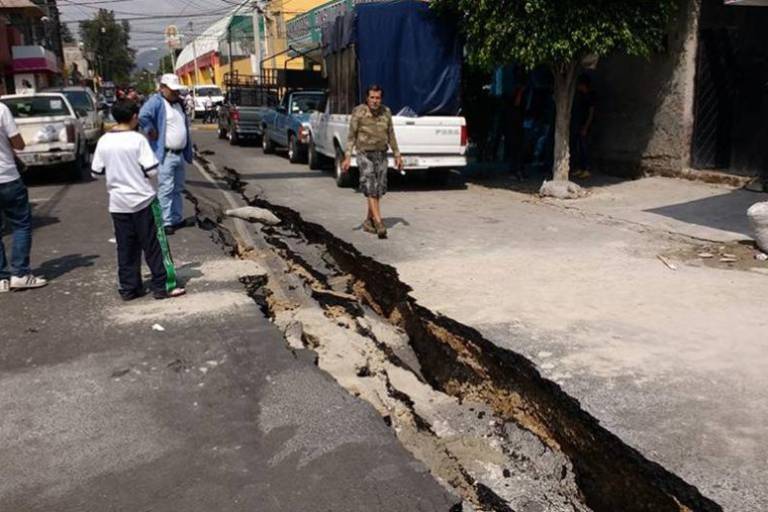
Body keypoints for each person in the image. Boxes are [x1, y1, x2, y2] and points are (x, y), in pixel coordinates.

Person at [91, 100, 185, 301]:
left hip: (118, 203)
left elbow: (96, 171)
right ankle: (163, 285)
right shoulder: (137, 140)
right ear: (134, 117)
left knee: (126, 247)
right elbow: (151, 170)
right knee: (155, 245)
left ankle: (129, 288)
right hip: (143, 200)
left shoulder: (104, 141)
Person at [342, 84, 403, 239]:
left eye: (378, 98)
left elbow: (391, 134)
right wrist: (348, 156)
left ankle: (368, 220)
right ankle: (378, 222)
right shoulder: (358, 112)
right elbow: (351, 136)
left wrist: (397, 155)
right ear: (367, 98)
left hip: (381, 154)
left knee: (379, 188)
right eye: (372, 98)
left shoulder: (386, 112)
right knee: (371, 185)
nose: (375, 101)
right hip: (365, 154)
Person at [0, 102, 47, 292]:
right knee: (21, 224)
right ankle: (20, 274)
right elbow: (18, 144)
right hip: (6, 176)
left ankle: (1, 279)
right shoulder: (1, 109)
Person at [139, 74, 193, 235]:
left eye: (177, 90)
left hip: (179, 154)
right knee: (166, 188)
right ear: (163, 88)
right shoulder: (157, 102)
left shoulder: (178, 104)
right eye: (172, 90)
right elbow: (143, 116)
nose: (176, 93)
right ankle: (165, 221)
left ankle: (175, 218)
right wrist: (149, 129)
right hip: (166, 154)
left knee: (177, 187)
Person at [571, 74, 596, 180]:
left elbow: (591, 112)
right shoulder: (581, 95)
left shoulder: (590, 96)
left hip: (585, 126)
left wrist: (586, 127)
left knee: (584, 147)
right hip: (579, 124)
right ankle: (580, 168)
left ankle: (587, 169)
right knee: (579, 147)